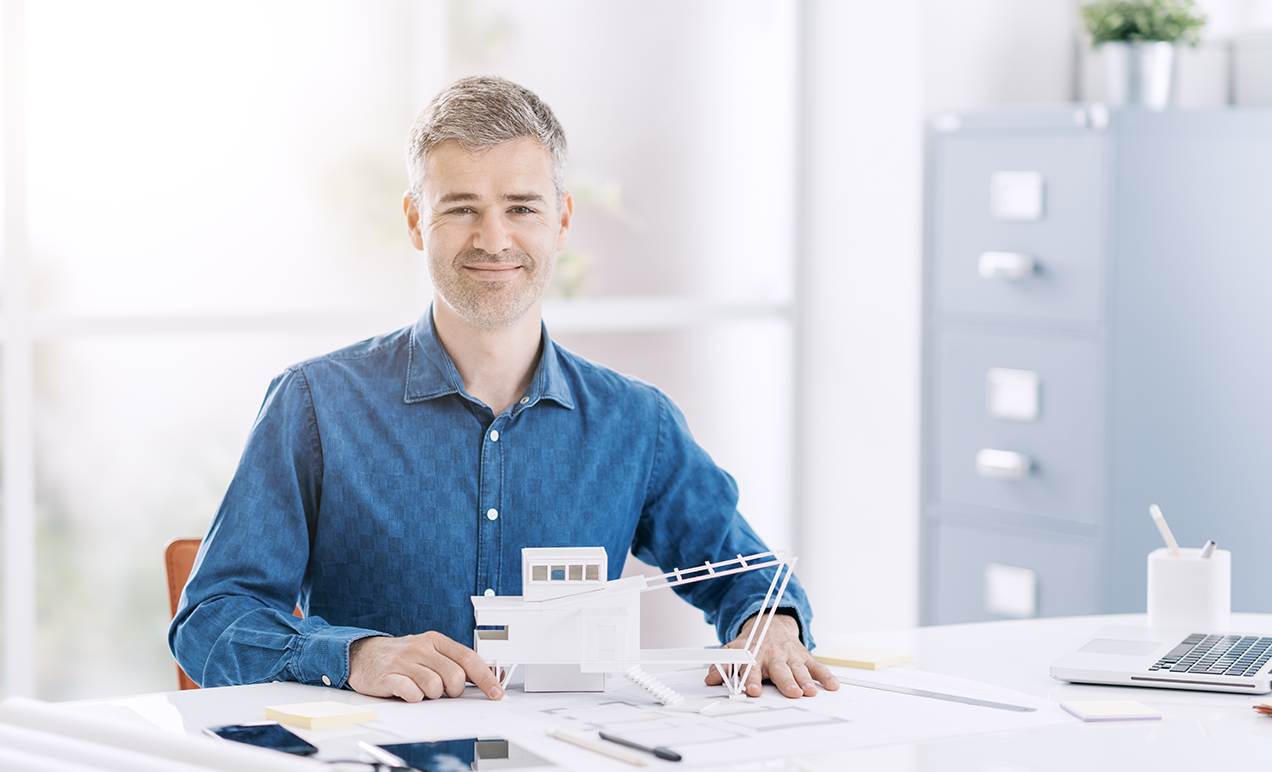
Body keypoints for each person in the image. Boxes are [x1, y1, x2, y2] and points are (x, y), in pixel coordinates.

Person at [170, 75, 838, 704]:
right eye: (461, 208)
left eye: (521, 207)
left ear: (563, 220)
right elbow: (209, 621)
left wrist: (770, 624)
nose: (494, 239)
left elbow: (751, 579)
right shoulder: (314, 406)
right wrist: (352, 655)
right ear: (413, 220)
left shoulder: (637, 424)